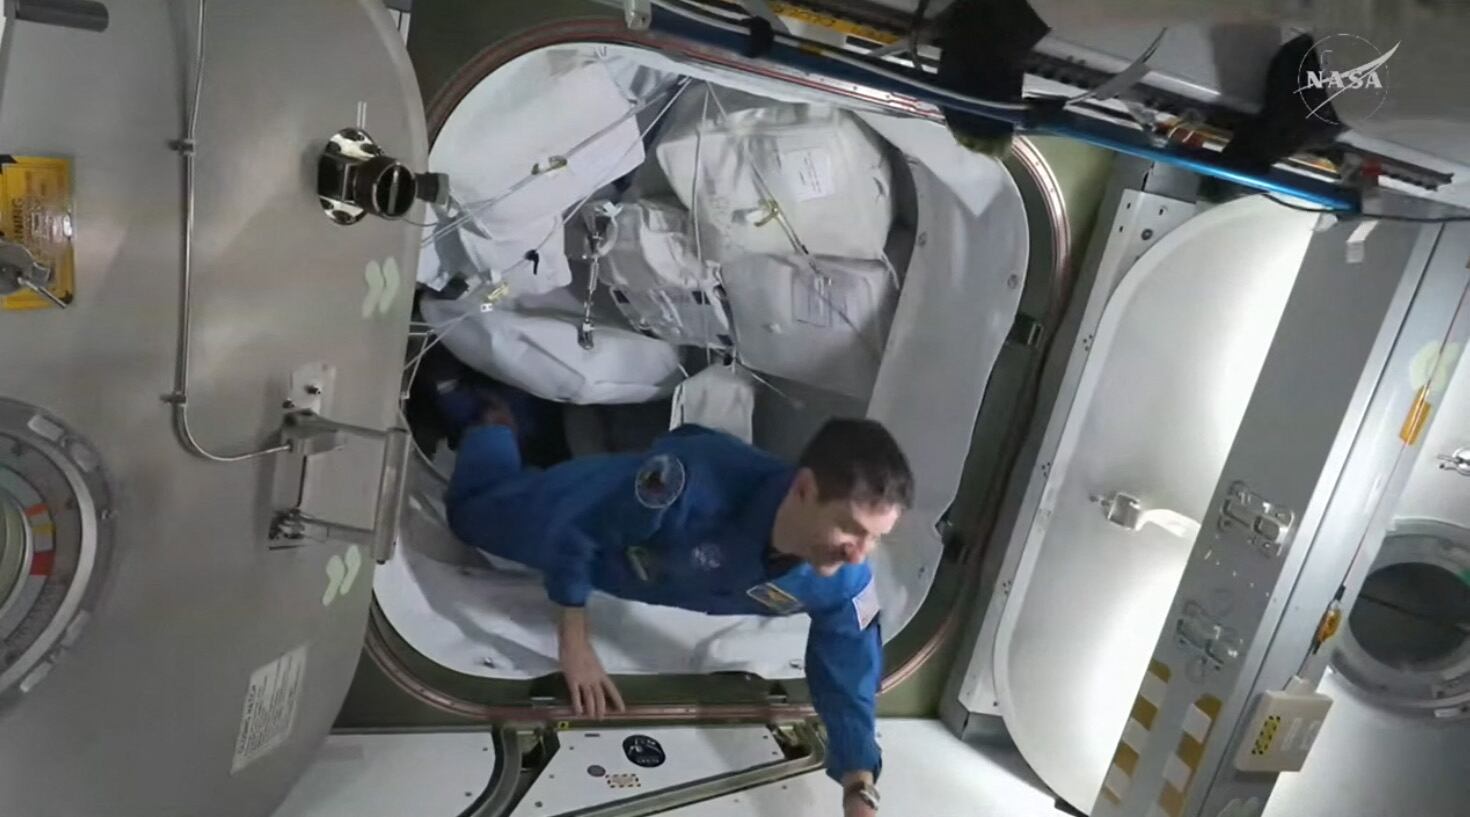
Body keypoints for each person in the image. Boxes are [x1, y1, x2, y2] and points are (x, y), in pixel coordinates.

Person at [441, 390, 913, 817]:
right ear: (804, 489)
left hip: (647, 568)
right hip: (601, 511)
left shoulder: (846, 578)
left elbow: (849, 670)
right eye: (851, 529)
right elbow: (582, 528)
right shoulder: (686, 483)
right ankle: (493, 418)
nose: (859, 553)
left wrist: (859, 788)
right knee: (471, 514)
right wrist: (575, 640)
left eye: (875, 538)